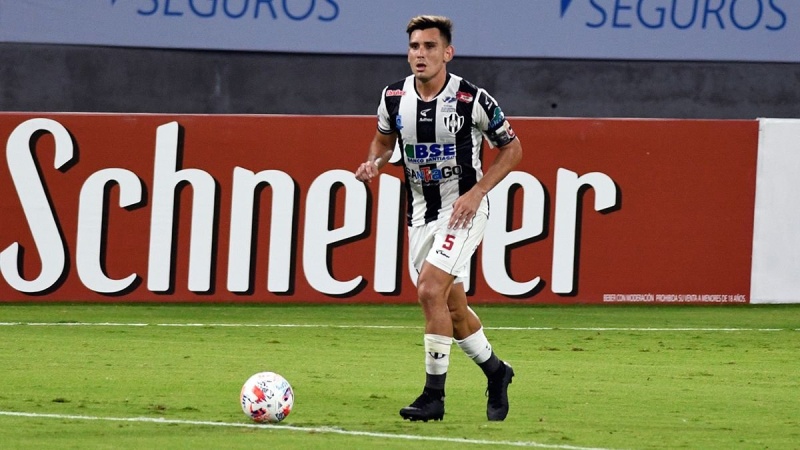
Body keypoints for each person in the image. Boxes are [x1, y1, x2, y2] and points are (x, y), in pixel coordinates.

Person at [354, 15, 523, 422]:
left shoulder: (471, 99)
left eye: (430, 46)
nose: (421, 54)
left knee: (430, 290)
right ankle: (497, 372)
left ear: (448, 53)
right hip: (420, 215)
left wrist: (477, 192)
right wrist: (374, 161)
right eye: (415, 46)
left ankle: (434, 398)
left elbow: (513, 149)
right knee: (453, 309)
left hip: (463, 211)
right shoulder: (393, 97)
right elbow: (383, 140)